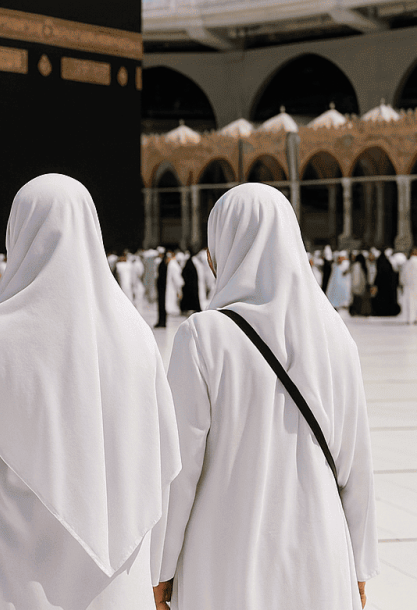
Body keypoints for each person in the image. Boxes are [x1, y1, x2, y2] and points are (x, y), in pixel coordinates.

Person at [0, 174, 179, 610]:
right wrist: (155, 577)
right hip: (117, 590)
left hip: (12, 586)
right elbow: (160, 469)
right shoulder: (137, 337)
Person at [153, 183, 378, 610]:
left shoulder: (202, 336)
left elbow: (177, 471)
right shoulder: (337, 337)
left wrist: (160, 569)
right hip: (321, 557)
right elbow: (356, 466)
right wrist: (360, 566)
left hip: (225, 562)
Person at [370, 251, 401, 316]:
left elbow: (378, 274)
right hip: (389, 286)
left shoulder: (380, 262)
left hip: (382, 285)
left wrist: (375, 283)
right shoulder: (387, 264)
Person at [348, 252, 372, 317]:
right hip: (362, 285)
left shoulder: (357, 265)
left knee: (356, 300)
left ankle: (356, 312)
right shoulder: (362, 265)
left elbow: (355, 277)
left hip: (357, 285)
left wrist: (354, 286)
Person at [153, 251, 170, 329]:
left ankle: (162, 321)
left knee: (162, 305)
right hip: (162, 289)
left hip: (162, 289)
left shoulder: (163, 265)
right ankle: (161, 321)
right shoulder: (163, 264)